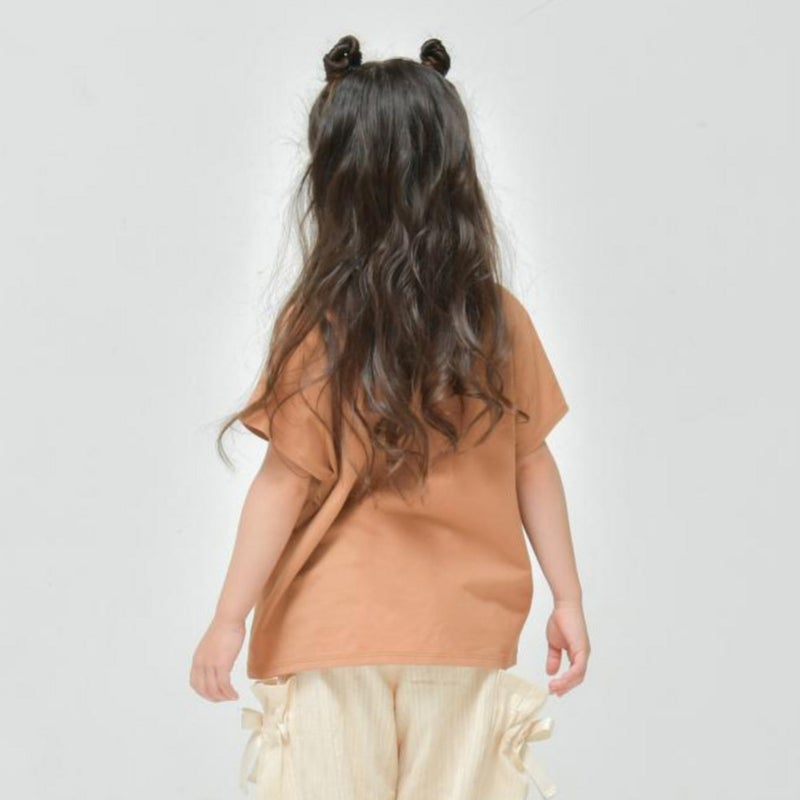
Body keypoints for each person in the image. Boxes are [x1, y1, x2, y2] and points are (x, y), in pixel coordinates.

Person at [190, 34, 590, 800]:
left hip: (332, 628)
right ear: (455, 173)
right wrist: (567, 599)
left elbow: (282, 483)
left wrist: (228, 618)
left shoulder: (320, 326)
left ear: (335, 181)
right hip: (462, 632)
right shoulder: (496, 321)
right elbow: (532, 462)